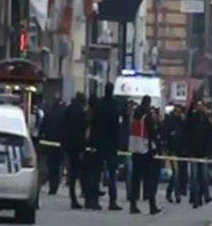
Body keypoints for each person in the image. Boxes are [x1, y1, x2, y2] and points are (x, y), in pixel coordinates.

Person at [128, 95, 161, 215]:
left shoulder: (135, 114)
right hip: (146, 151)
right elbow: (152, 133)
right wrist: (158, 147)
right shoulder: (147, 116)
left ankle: (133, 204)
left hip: (135, 149)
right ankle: (152, 205)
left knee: (135, 178)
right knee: (149, 178)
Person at [94, 83, 123, 211]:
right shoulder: (115, 106)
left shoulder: (100, 105)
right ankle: (112, 201)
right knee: (112, 174)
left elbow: (96, 123)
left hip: (100, 143)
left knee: (97, 173)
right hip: (111, 144)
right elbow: (117, 127)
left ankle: (94, 200)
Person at [62, 92, 88, 209]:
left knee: (71, 172)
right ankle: (80, 196)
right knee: (78, 172)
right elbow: (82, 130)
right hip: (78, 146)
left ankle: (73, 197)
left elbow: (64, 126)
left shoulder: (69, 110)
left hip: (68, 145)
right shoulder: (81, 112)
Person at [186, 100, 212, 208]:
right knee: (194, 177)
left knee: (204, 176)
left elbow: (210, 135)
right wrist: (192, 101)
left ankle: (204, 196)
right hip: (194, 151)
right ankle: (194, 198)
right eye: (199, 106)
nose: (200, 108)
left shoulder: (206, 121)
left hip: (203, 152)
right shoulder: (193, 119)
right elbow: (188, 117)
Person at [39, 95, 65, 195]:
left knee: (51, 166)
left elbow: (43, 127)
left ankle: (51, 185)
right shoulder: (62, 115)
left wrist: (40, 138)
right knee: (57, 166)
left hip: (49, 143)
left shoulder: (49, 114)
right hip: (59, 144)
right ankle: (54, 186)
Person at [163, 104, 186, 203]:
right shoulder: (170, 120)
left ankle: (169, 192)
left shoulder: (181, 121)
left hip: (179, 150)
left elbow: (185, 133)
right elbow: (166, 133)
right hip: (172, 150)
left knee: (177, 174)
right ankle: (177, 194)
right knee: (175, 173)